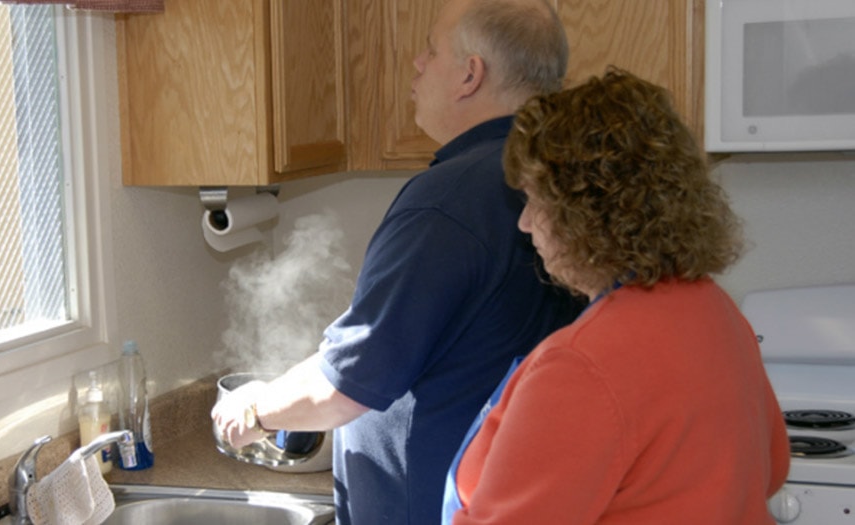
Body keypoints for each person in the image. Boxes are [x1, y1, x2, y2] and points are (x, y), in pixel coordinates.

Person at [211, 0, 582, 523]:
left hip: (432, 505)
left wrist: (256, 409)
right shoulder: (568, 176)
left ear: (470, 74)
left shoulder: (448, 200)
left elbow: (349, 382)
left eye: (431, 50)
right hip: (521, 494)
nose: (416, 64)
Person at [442, 68, 791, 524]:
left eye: (534, 199)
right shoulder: (714, 309)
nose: (524, 223)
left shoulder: (579, 365)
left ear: (584, 211)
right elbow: (774, 467)